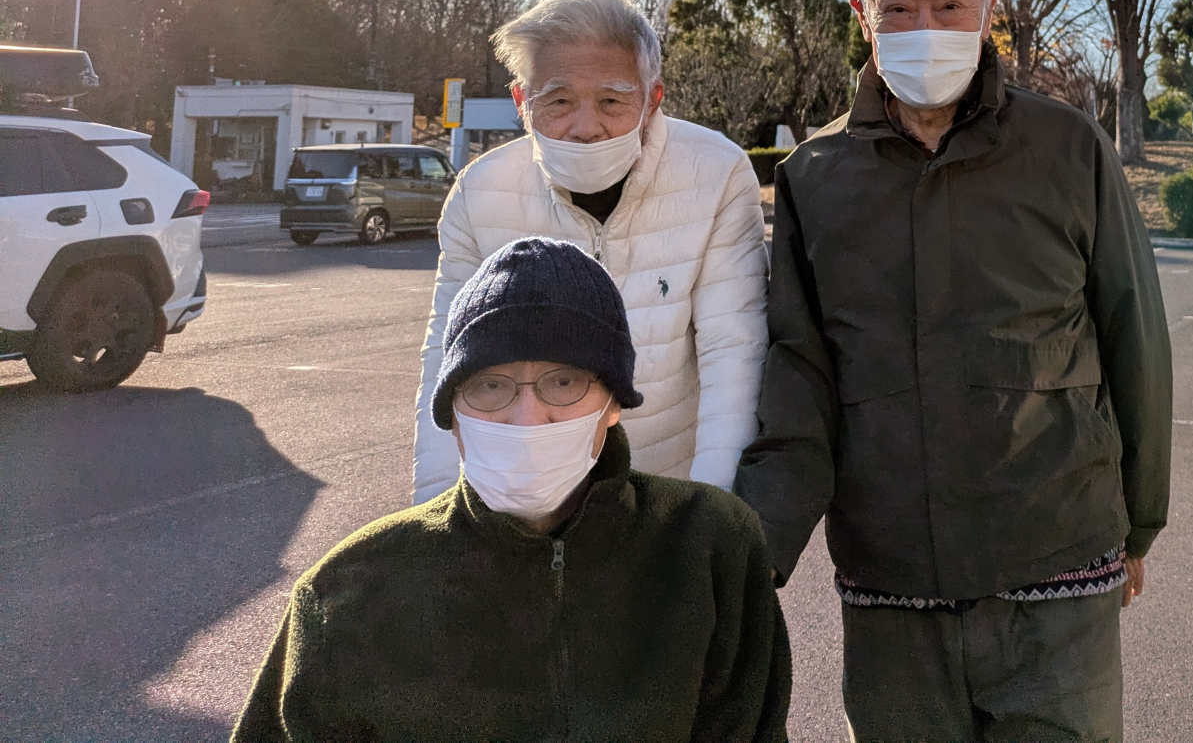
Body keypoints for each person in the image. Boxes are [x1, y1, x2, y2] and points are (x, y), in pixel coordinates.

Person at [734, 0, 1173, 743]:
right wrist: (754, 560)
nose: (924, 27)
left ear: (988, 7)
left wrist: (1141, 519)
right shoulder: (815, 176)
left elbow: (1135, 339)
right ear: (861, 13)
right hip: (891, 586)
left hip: (1058, 566)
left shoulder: (1068, 148)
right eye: (897, 6)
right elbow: (799, 382)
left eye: (950, 3)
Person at [233, 237, 790, 742]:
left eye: (564, 381)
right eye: (489, 385)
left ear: (614, 402)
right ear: (452, 413)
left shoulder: (709, 546)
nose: (527, 419)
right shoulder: (348, 593)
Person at [412, 0, 767, 504]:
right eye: (558, 101)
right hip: (525, 493)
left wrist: (713, 512)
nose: (585, 127)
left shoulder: (716, 172)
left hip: (666, 488)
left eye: (611, 101)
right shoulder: (479, 192)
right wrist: (438, 514)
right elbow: (447, 362)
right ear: (521, 102)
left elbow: (733, 349)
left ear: (651, 101)